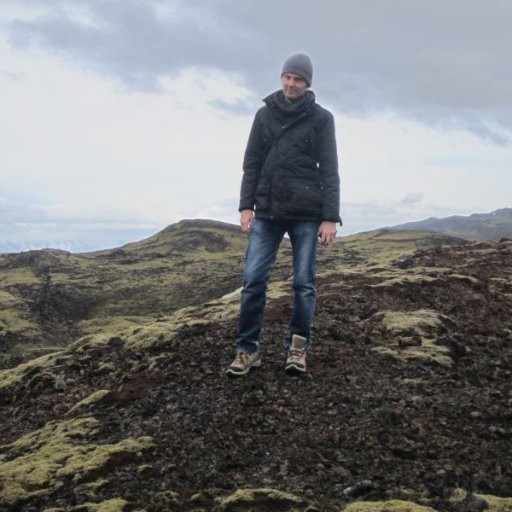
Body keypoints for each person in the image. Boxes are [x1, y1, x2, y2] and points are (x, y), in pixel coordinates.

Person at [226, 52, 341, 377]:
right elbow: (251, 163)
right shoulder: (264, 115)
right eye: (287, 77)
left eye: (298, 79)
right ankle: (247, 351)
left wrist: (329, 217)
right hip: (268, 211)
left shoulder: (322, 119)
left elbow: (330, 170)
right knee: (253, 282)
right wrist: (246, 206)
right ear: (282, 78)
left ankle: (297, 348)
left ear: (308, 84)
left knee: (304, 283)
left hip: (307, 213)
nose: (291, 83)